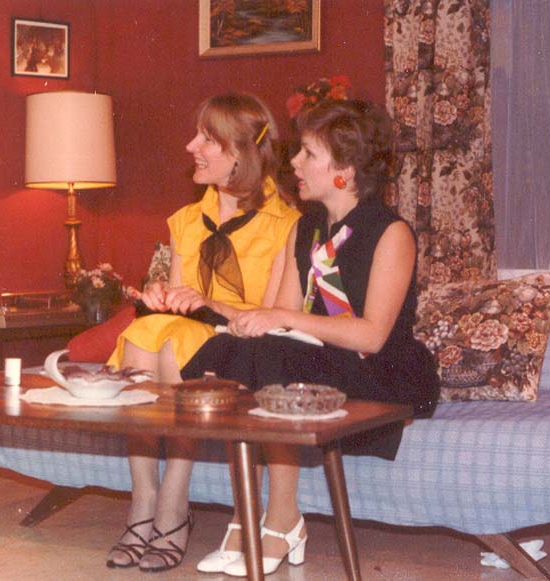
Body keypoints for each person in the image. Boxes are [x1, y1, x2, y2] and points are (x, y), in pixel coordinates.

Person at [181, 99, 440, 576]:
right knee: (230, 349)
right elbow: (277, 320)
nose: (294, 163)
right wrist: (212, 307)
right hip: (319, 362)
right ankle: (245, 516)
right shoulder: (305, 228)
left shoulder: (391, 232)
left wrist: (283, 319)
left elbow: (373, 335)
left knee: (273, 356)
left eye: (308, 154)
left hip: (382, 372)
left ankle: (283, 519)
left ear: (345, 170)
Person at [104, 93, 300, 572]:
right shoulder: (186, 220)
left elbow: (274, 319)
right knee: (143, 333)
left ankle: (173, 503)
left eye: (207, 139)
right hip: (189, 333)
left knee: (173, 343)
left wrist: (209, 304)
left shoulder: (285, 224)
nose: (191, 146)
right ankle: (143, 499)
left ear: (240, 154)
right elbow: (178, 300)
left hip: (242, 343)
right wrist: (160, 295)